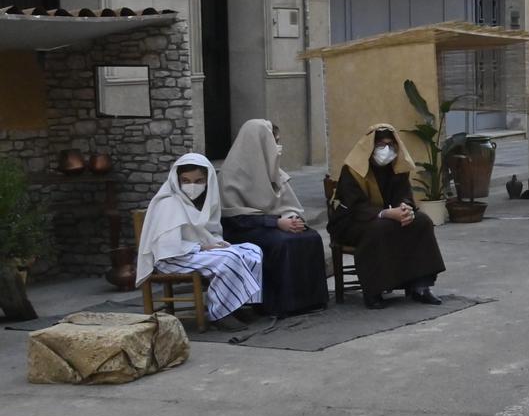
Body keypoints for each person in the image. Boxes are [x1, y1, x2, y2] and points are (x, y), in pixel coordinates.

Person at [136, 154, 265, 328]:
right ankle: (220, 313)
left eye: (198, 181)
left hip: (195, 253)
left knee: (252, 250)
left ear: (207, 180)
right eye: (186, 181)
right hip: (173, 259)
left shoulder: (203, 203)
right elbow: (167, 246)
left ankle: (237, 303)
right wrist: (204, 247)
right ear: (177, 179)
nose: (192, 186)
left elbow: (210, 232)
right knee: (229, 258)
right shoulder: (168, 203)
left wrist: (217, 244)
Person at [216, 118, 326, 318]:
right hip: (245, 229)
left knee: (310, 237)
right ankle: (281, 304)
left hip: (275, 224)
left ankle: (310, 300)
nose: (277, 147)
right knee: (282, 243)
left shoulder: (272, 171)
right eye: (273, 141)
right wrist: (275, 222)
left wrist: (292, 218)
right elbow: (234, 217)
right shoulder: (230, 175)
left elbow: (287, 203)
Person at [327, 125, 446, 309]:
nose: (386, 150)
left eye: (391, 145)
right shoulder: (353, 170)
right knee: (380, 227)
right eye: (381, 145)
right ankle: (373, 291)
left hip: (389, 218)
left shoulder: (396, 167)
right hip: (353, 222)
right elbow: (353, 206)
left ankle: (421, 286)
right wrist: (385, 213)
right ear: (370, 147)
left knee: (421, 221)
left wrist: (404, 207)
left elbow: (403, 194)